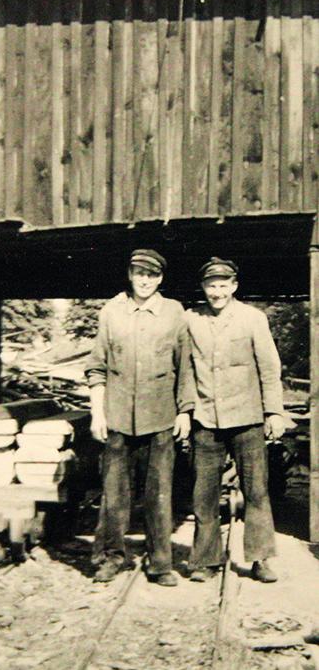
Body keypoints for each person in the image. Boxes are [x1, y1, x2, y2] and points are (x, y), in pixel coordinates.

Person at [85, 249, 193, 586]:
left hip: (160, 417)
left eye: (151, 274)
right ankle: (110, 557)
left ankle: (160, 563)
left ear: (160, 278)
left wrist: (185, 411)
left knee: (159, 494)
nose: (144, 280)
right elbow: (97, 366)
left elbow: (185, 366)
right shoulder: (111, 312)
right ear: (130, 275)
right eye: (138, 273)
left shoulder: (174, 313)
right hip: (117, 416)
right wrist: (96, 411)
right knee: (114, 493)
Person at [186, 257, 284, 583]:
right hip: (206, 418)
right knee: (204, 494)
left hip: (247, 418)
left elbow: (269, 368)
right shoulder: (191, 320)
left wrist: (274, 412)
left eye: (223, 285)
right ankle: (204, 560)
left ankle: (260, 559)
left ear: (234, 286)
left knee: (256, 490)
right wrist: (185, 411)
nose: (217, 292)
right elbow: (184, 370)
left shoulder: (253, 319)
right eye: (211, 285)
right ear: (203, 288)